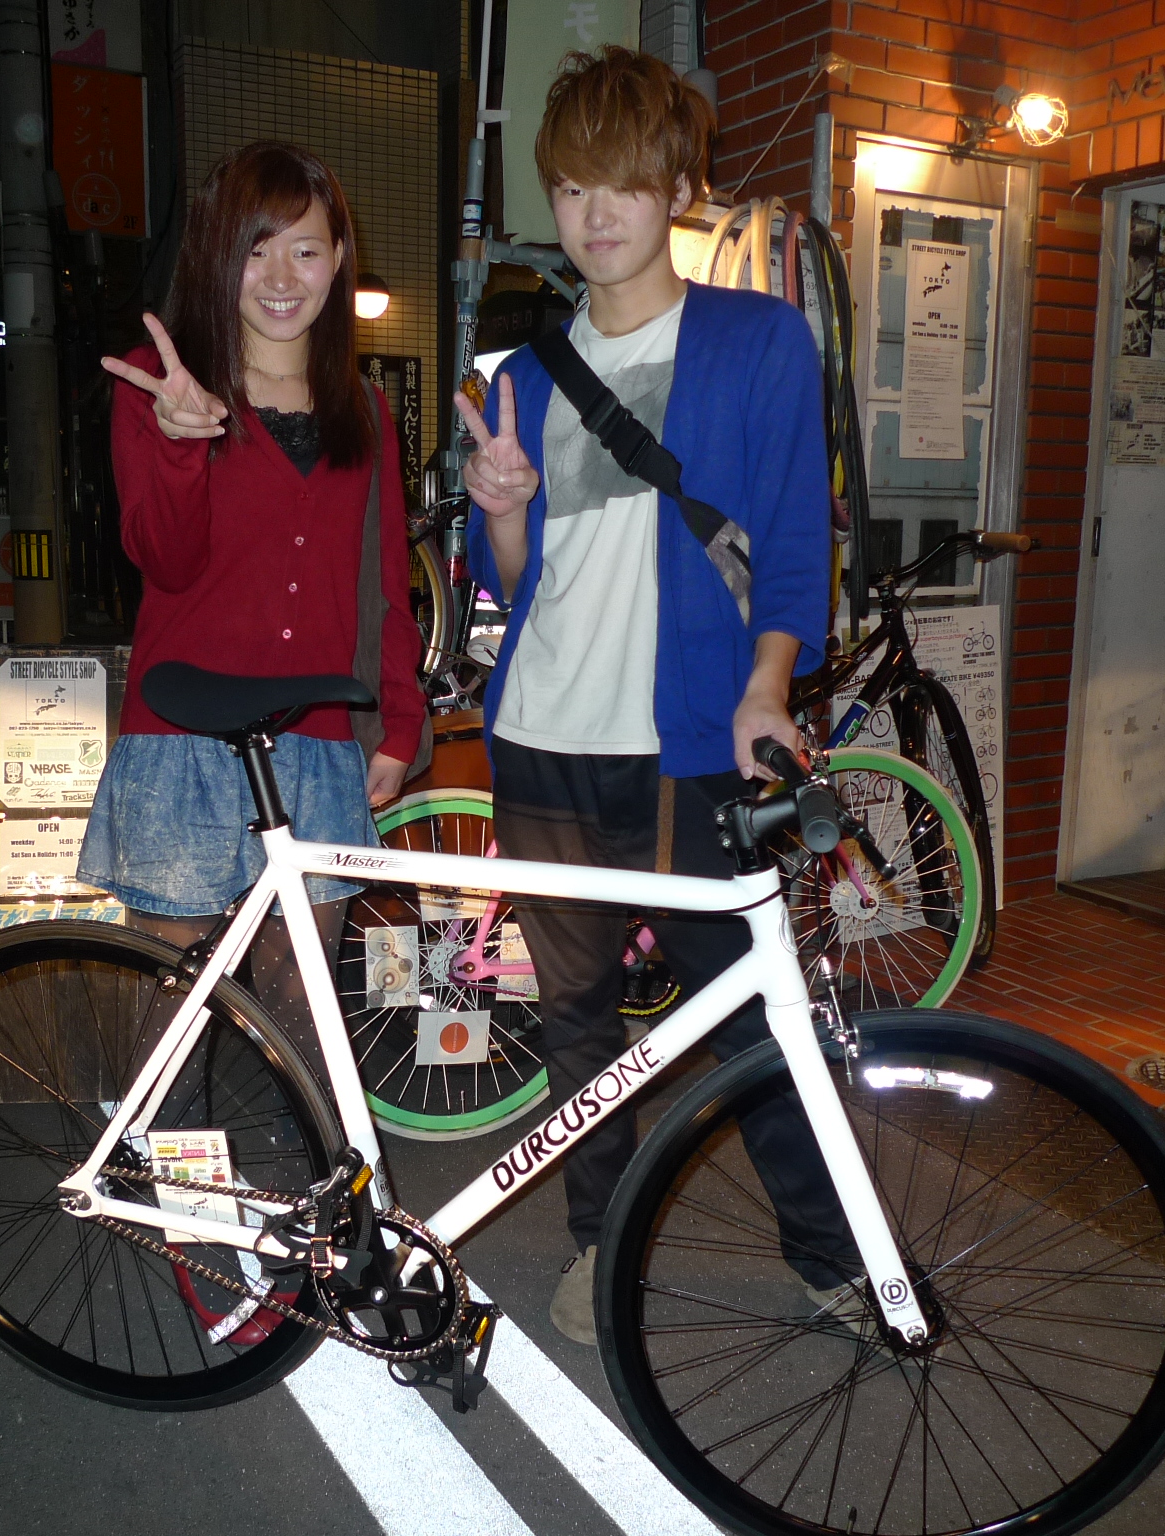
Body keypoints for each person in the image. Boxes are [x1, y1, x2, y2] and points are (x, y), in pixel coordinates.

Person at [456, 47, 840, 1344]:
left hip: (683, 746)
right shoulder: (523, 376)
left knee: (748, 1018)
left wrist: (767, 685)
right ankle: (599, 1242)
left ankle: (830, 1254)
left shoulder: (753, 341)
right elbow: (516, 582)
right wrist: (502, 513)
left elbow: (792, 540)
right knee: (571, 1020)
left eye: (620, 182)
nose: (594, 213)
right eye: (571, 188)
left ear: (678, 186)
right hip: (539, 741)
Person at [77, 140, 427, 1067]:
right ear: (215, 256)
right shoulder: (164, 387)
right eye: (254, 249)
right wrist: (180, 443)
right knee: (172, 1013)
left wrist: (399, 721)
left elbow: (383, 585)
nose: (279, 277)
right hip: (181, 739)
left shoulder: (364, 411)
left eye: (304, 250)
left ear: (338, 258)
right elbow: (164, 561)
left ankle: (301, 1164)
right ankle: (150, 1159)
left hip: (316, 744)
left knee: (300, 1019)